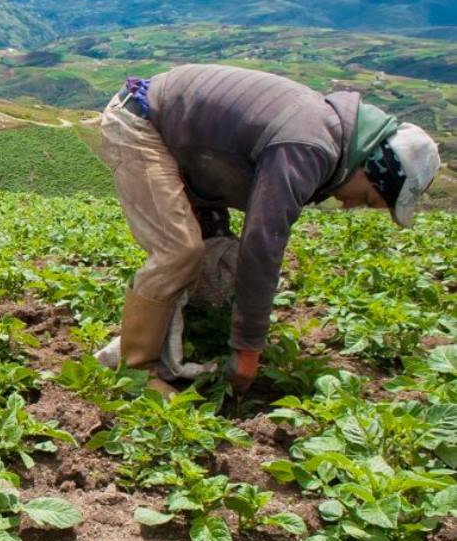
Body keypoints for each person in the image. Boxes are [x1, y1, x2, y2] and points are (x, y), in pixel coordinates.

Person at [98, 64, 440, 391]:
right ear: (369, 166)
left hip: (193, 155)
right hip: (141, 121)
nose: (351, 205)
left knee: (218, 263)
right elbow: (263, 246)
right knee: (179, 251)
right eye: (366, 198)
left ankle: (183, 335)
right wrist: (248, 350)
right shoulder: (309, 148)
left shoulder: (329, 141)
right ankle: (137, 371)